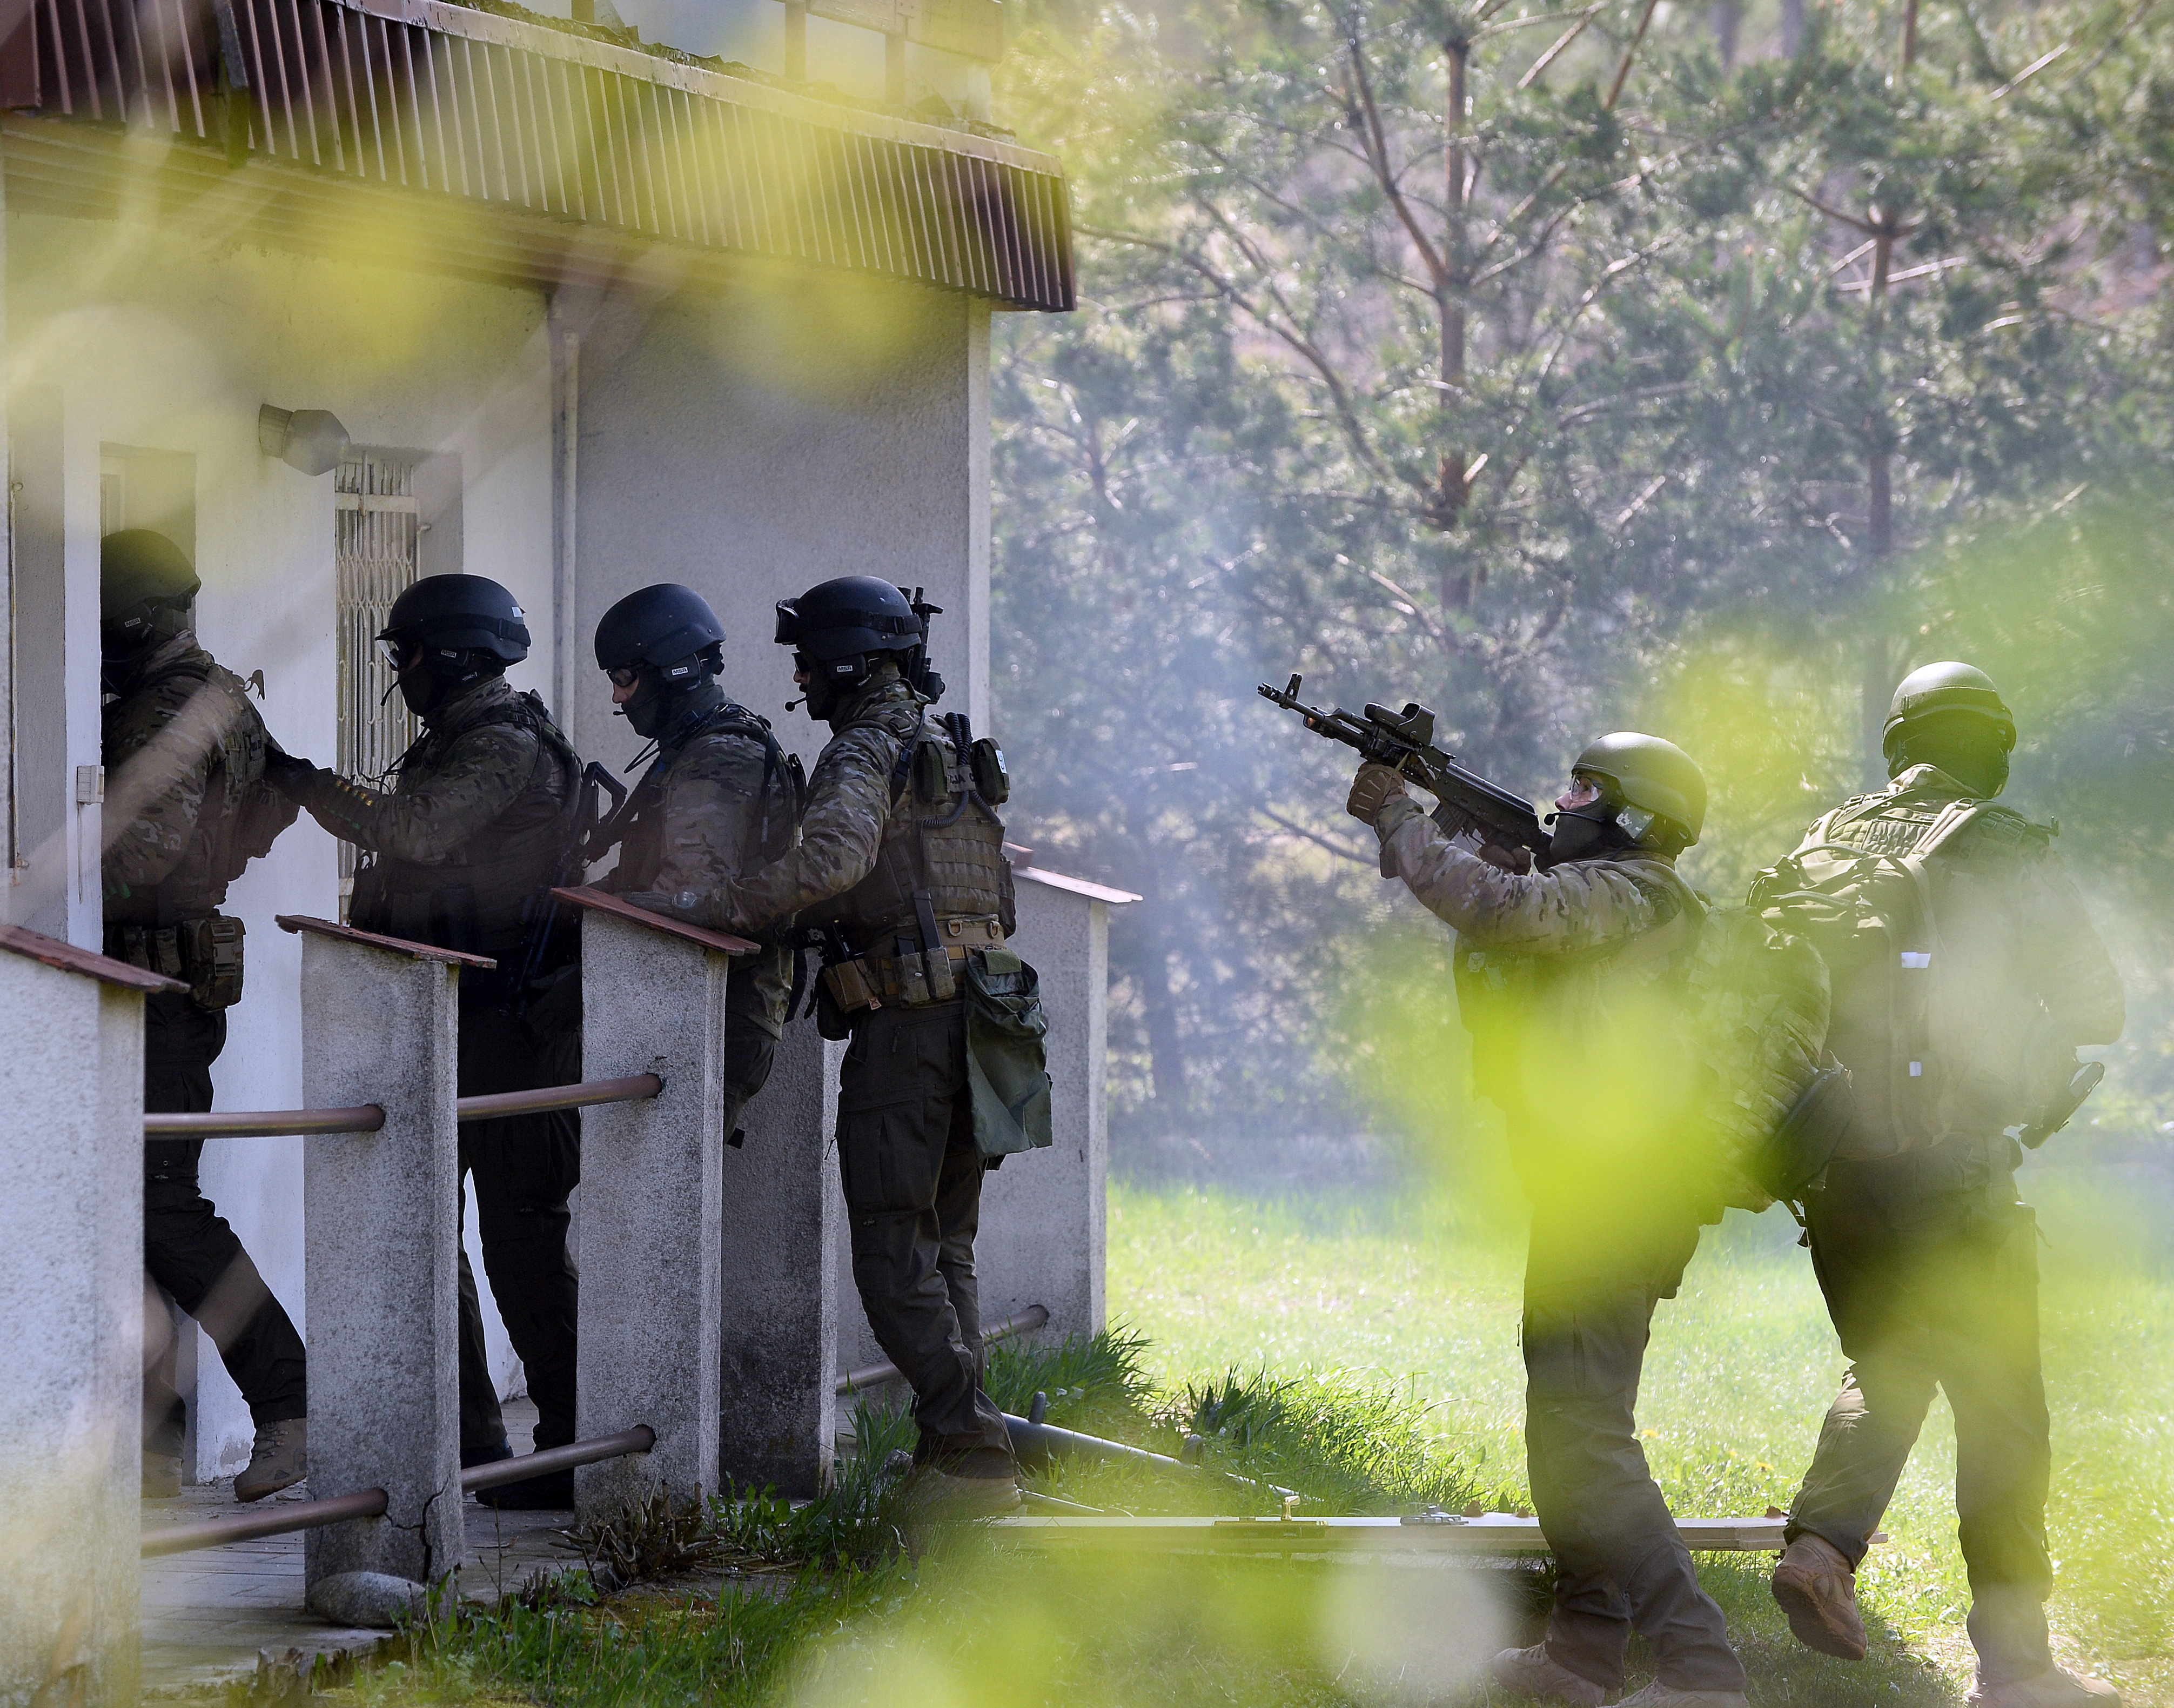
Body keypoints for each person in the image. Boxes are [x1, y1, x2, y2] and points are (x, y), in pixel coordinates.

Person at [1346, 734, 1748, 1708]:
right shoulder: (1602, 896)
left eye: (1582, 788)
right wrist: (1479, 844)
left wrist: (1401, 816)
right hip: (1584, 1191)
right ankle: (1582, 1650)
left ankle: (1699, 1670)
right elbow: (1503, 955)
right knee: (1562, 1423)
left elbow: (1501, 911)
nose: (1558, 801)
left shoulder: (1638, 893)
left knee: (1584, 1433)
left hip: (1620, 1198)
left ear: (1633, 816)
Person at [1766, 664, 2125, 1708]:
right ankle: (2011, 1667)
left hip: (1829, 1167)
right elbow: (2097, 1002)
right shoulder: (1999, 843)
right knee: (2004, 1414)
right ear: (1992, 743)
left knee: (1893, 1352)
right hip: (1950, 1164)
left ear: (1895, 742)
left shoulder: (1822, 839)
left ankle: (1822, 1550)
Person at [648, 577, 1027, 1514]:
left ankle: (974, 1453)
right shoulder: (948, 743)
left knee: (892, 1252)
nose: (800, 677)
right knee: (945, 1249)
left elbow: (832, 861)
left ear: (852, 658)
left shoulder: (868, 743)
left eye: (807, 658)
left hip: (911, 1024)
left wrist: (721, 906)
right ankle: (955, 1453)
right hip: (986, 1020)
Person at [269, 573, 585, 1508]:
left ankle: (560, 1452)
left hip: (506, 1027)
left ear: (448, 655)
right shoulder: (463, 737)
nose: (400, 671)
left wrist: (299, 782)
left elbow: (417, 832)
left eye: (405, 654)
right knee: (428, 1237)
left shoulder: (499, 740)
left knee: (521, 1243)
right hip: (451, 1020)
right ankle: (475, 1446)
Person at [100, 528, 308, 1504]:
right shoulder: (224, 692)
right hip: (163, 985)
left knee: (160, 1209)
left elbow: (139, 852)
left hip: (155, 987)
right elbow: (269, 810)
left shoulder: (164, 707)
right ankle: (150, 1445)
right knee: (125, 1214)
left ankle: (287, 1401)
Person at [588, 584, 799, 1148]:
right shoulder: (692, 746)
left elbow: (691, 895)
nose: (617, 697)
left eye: (625, 678)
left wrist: (592, 911)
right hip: (691, 1005)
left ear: (672, 670)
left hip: (718, 1012)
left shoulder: (718, 753)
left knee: (667, 1206)